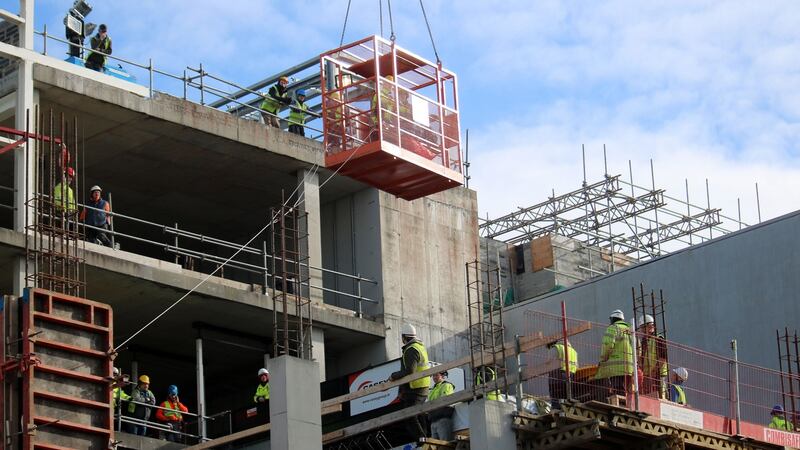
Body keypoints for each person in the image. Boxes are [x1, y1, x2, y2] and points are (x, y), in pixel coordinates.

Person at [389, 323, 430, 439]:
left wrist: (393, 376)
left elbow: (409, 371)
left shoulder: (411, 349)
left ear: (404, 337)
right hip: (420, 385)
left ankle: (421, 438)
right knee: (418, 412)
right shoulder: (419, 347)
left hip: (416, 387)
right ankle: (424, 437)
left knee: (409, 415)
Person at [594, 309, 634, 398]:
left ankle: (621, 403)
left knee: (617, 387)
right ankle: (627, 402)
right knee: (627, 387)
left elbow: (607, 345)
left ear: (613, 319)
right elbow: (637, 348)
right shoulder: (630, 330)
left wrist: (603, 359)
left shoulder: (613, 328)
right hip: (630, 366)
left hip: (616, 367)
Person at [637, 314, 668, 398]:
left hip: (658, 375)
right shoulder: (644, 341)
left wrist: (654, 372)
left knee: (660, 394)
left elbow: (663, 358)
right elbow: (641, 358)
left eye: (644, 327)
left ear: (651, 326)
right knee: (648, 395)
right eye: (641, 328)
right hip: (647, 376)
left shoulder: (659, 339)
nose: (642, 330)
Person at [547, 339, 578, 409]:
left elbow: (549, 361)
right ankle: (567, 408)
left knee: (556, 394)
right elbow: (576, 365)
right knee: (566, 394)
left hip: (558, 374)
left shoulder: (556, 347)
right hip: (571, 376)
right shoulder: (574, 352)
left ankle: (556, 409)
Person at [427, 370, 455, 441]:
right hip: (433, 420)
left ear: (442, 376)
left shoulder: (446, 385)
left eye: (436, 375)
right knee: (436, 446)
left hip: (443, 419)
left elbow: (445, 401)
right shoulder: (433, 389)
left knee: (444, 444)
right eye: (433, 376)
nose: (434, 377)